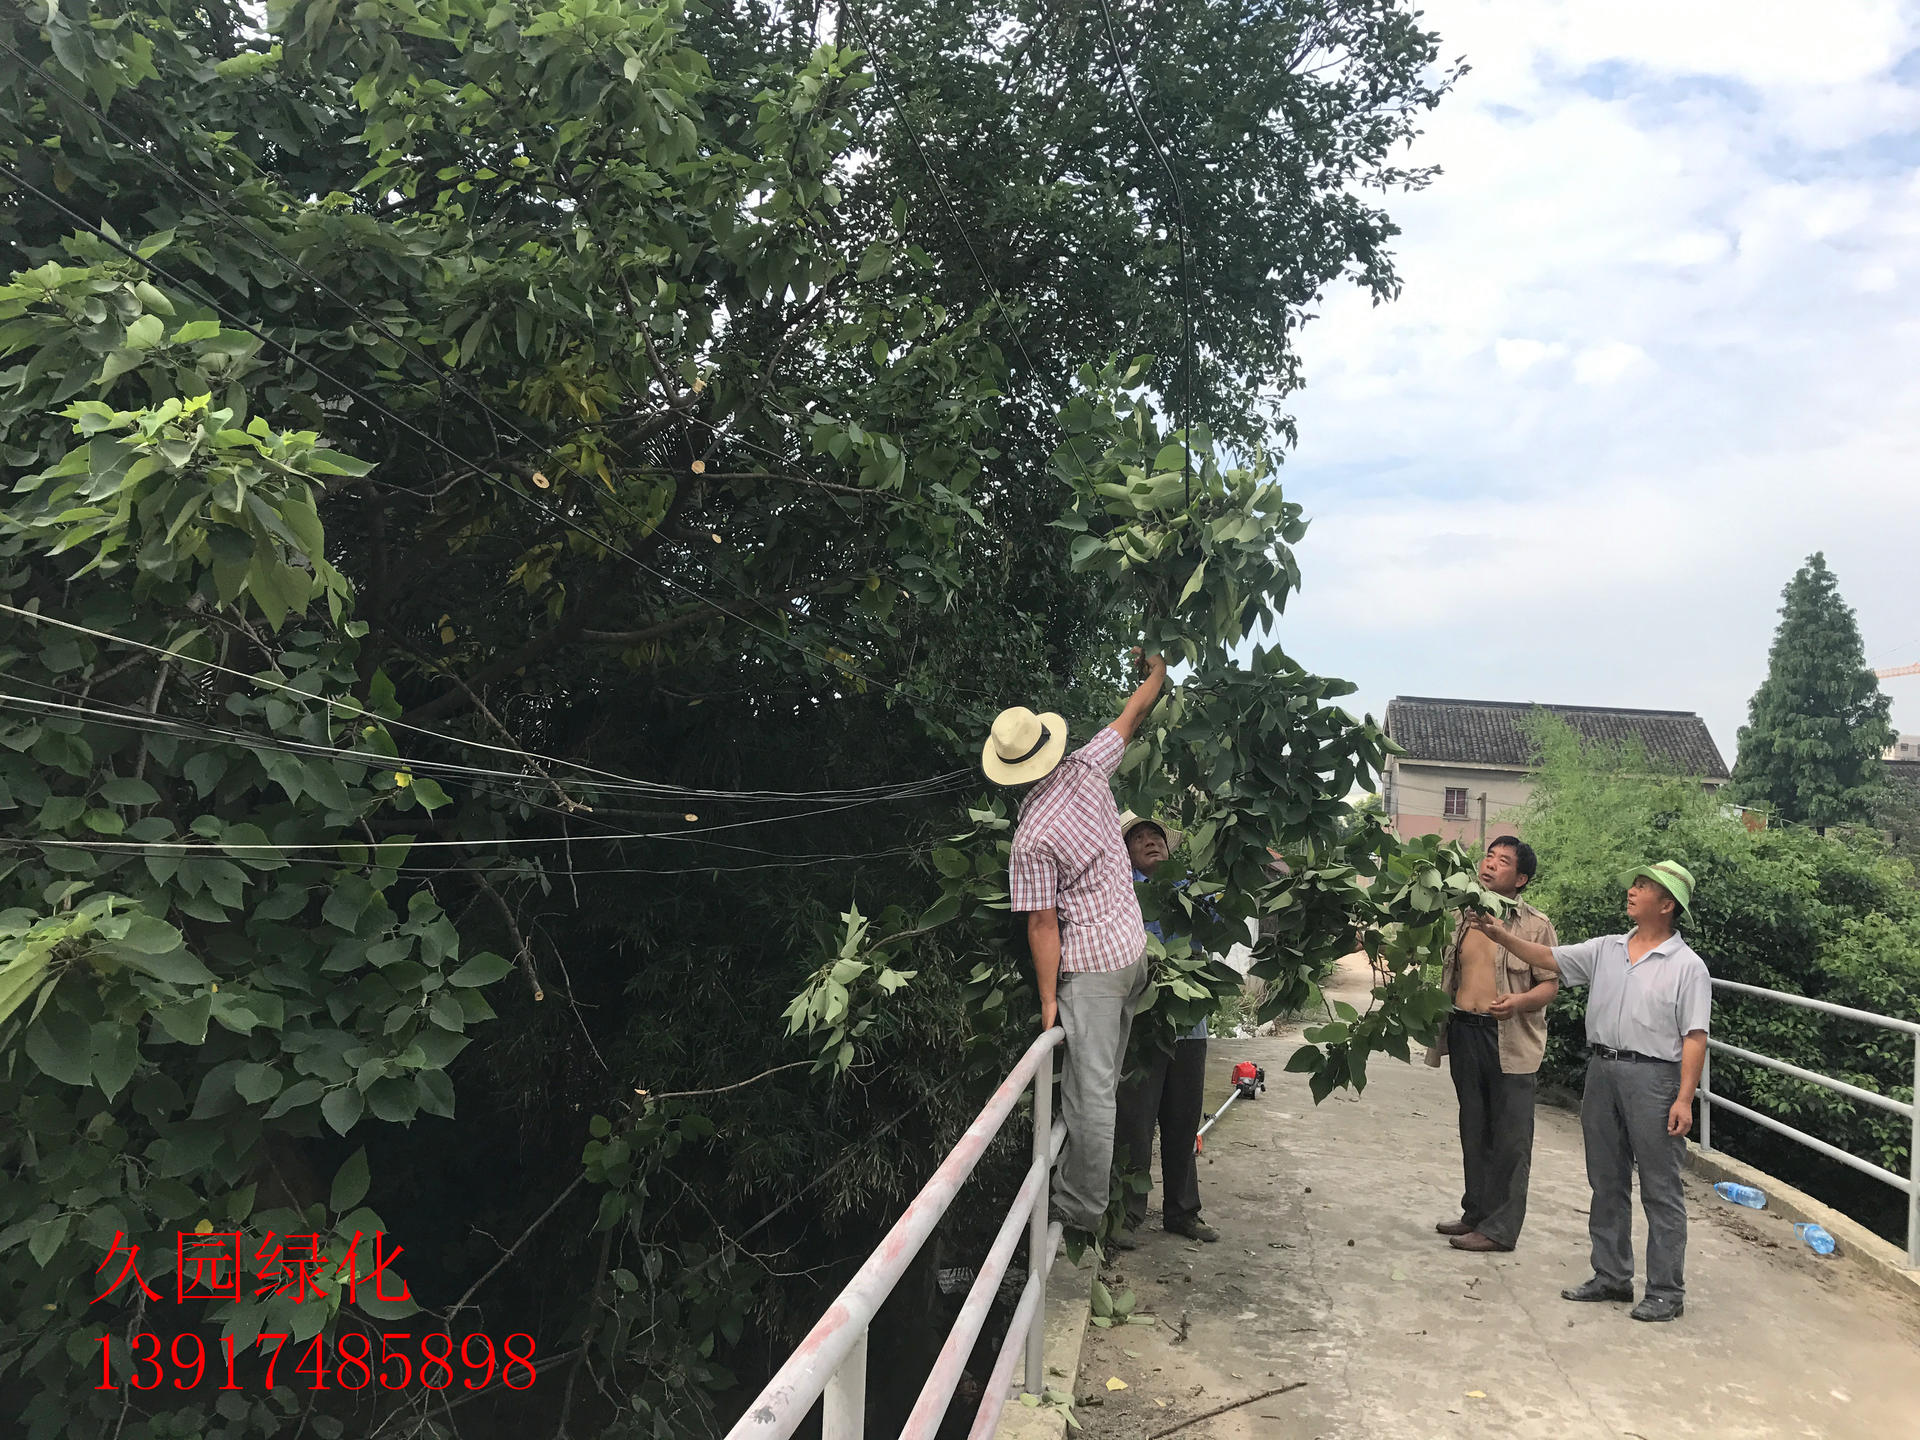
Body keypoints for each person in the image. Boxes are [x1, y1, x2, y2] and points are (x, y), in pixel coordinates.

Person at [1467, 860, 1709, 1322]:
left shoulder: (1687, 967)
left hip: (1655, 1079)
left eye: (1642, 887)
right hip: (1604, 1069)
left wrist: (1683, 1097)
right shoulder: (1608, 949)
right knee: (1607, 1179)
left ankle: (1665, 1290)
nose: (1632, 892)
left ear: (1667, 904)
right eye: (1633, 884)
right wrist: (1500, 935)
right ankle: (1612, 1275)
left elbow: (1694, 1036)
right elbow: (1548, 960)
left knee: (1660, 1188)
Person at [986, 653, 1168, 1237]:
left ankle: (1079, 1207)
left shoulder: (1030, 838)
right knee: (1105, 1079)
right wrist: (1156, 670)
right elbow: (1134, 714)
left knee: (1089, 1096)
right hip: (1133, 953)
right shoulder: (1088, 767)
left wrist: (1047, 1000)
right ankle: (1081, 1182)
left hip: (1091, 968)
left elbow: (1043, 927)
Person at [1426, 836, 1558, 1254]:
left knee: (1510, 1137)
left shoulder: (1536, 925)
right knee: (1473, 1127)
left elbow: (1550, 985)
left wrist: (1518, 1003)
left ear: (1520, 879)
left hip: (1511, 1040)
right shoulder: (1463, 916)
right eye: (1489, 857)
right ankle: (1476, 1212)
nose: (1490, 865)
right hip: (1465, 1030)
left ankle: (1500, 1229)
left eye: (1503, 862)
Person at [1112, 812, 1219, 1247]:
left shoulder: (1190, 888)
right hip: (1142, 1024)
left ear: (1168, 845)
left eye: (1154, 835)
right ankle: (1127, 1215)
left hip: (1190, 1026)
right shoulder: (1120, 893)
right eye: (1137, 837)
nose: (1149, 841)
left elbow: (1216, 928)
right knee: (1135, 1125)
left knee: (1182, 1123)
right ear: (1126, 852)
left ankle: (1183, 1212)